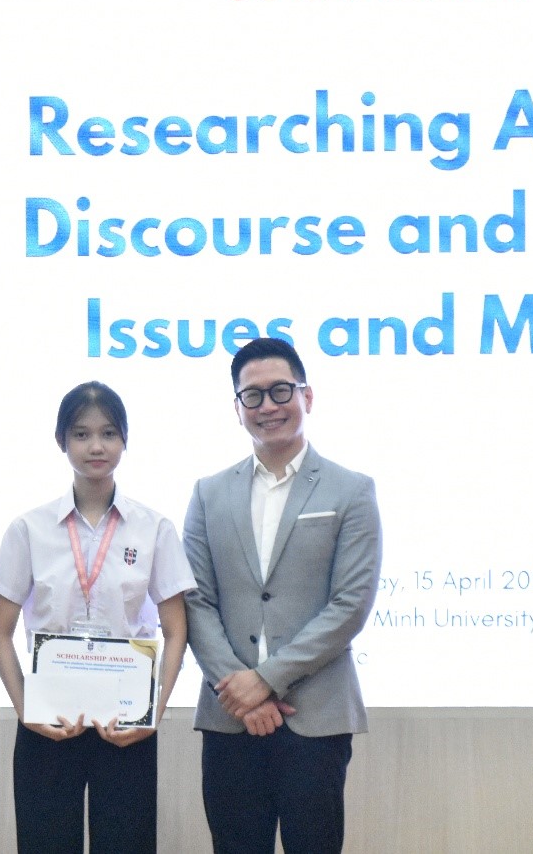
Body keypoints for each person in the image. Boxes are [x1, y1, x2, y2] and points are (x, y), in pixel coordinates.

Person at [183, 337, 382, 854]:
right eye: (252, 395)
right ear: (237, 408)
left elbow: (350, 605)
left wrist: (266, 680)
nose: (267, 406)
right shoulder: (208, 493)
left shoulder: (351, 490)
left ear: (306, 396)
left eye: (280, 391)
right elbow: (196, 601)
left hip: (315, 716)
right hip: (230, 718)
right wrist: (240, 691)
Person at [0, 381, 195, 854]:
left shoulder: (154, 528)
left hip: (127, 722)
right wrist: (26, 710)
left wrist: (153, 714)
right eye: (81, 434)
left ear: (125, 440)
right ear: (61, 441)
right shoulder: (29, 529)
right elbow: (0, 631)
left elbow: (176, 630)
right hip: (48, 721)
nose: (96, 446)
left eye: (108, 433)